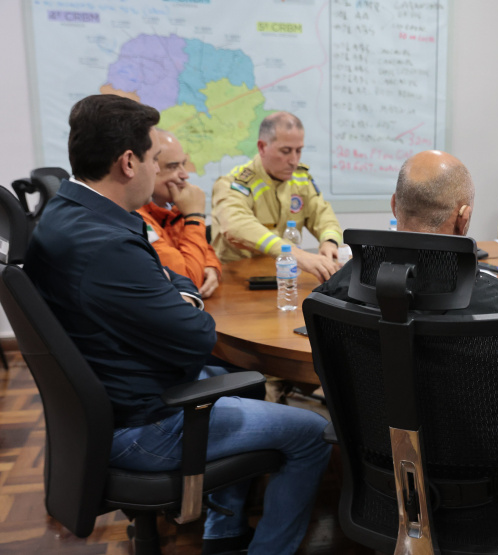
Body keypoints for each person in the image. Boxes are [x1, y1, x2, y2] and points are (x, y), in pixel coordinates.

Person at [24, 95, 331, 555]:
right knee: (312, 434)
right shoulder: (106, 243)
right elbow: (197, 336)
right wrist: (183, 297)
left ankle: (222, 532)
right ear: (129, 162)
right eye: (155, 160)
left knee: (242, 384)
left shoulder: (72, 214)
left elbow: (169, 279)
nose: (163, 172)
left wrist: (177, 292)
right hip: (144, 425)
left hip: (109, 404)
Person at [316, 150, 498, 551]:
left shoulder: (338, 289)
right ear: (464, 217)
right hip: (487, 505)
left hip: (383, 485)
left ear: (395, 206)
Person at [211, 111, 342, 283]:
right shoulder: (234, 183)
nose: (294, 160)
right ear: (262, 147)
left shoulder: (301, 178)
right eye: (286, 151)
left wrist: (329, 242)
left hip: (286, 278)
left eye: (298, 151)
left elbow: (323, 215)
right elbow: (235, 225)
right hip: (238, 279)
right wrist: (294, 253)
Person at [136, 129, 221, 297]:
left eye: (183, 164)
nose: (185, 175)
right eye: (173, 166)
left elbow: (203, 250)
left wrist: (211, 267)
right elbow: (188, 282)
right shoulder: (136, 217)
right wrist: (195, 218)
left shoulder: (172, 208)